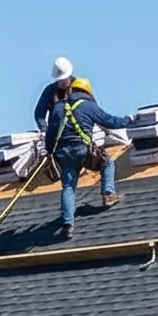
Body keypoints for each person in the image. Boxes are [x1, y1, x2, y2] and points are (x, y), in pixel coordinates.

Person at [36, 69, 128, 237]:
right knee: (107, 164)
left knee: (68, 188)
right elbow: (110, 121)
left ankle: (67, 225)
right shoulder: (88, 106)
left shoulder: (57, 108)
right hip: (82, 150)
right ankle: (108, 194)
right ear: (87, 93)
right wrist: (129, 121)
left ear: (72, 90)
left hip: (63, 154)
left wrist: (50, 152)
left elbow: (50, 134)